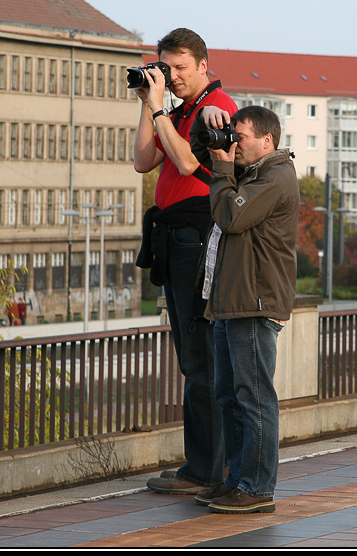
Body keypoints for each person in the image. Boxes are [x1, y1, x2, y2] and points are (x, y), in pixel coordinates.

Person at [134, 28, 237, 495]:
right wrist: (147, 103)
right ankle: (203, 466)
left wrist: (160, 110)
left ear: (202, 66)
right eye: (165, 67)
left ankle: (207, 471)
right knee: (192, 359)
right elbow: (141, 162)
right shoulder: (178, 111)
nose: (171, 76)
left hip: (196, 236)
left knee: (202, 360)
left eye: (180, 68)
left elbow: (191, 166)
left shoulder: (219, 109)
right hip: (173, 237)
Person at [195, 105, 298, 514]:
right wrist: (209, 124)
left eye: (241, 138)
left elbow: (231, 215)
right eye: (232, 137)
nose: (233, 146)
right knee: (229, 397)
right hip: (231, 301)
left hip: (253, 303)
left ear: (267, 140)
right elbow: (200, 161)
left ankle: (257, 488)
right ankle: (237, 479)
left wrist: (223, 169)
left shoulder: (275, 177)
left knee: (254, 398)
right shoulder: (252, 174)